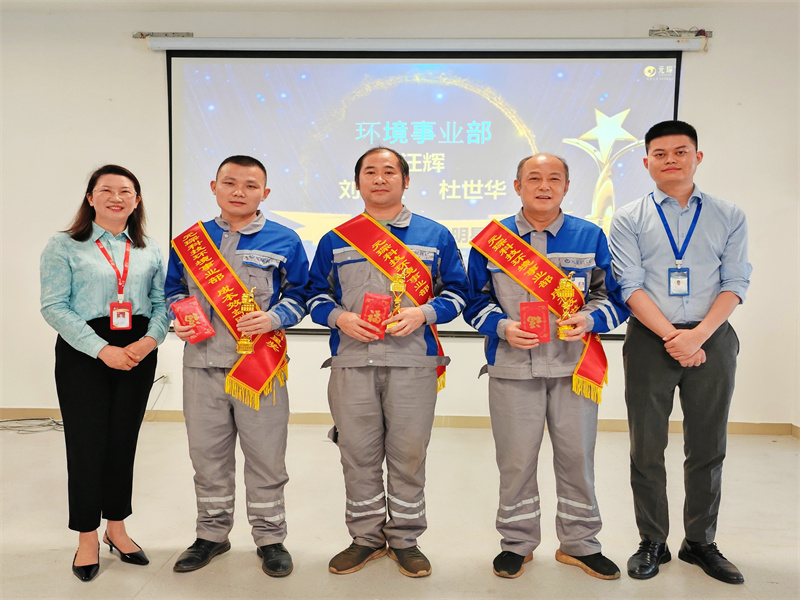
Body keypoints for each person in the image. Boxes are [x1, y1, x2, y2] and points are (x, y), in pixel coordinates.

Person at [463, 154, 628, 581]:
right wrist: (502, 327)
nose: (544, 185)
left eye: (554, 178)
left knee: (577, 458)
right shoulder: (492, 241)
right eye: (533, 178)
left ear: (567, 187)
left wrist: (589, 319)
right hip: (513, 368)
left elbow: (611, 296)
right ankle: (517, 543)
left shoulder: (589, 236)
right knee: (515, 461)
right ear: (517, 186)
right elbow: (474, 301)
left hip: (574, 370)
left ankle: (580, 544)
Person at [307, 147, 469, 578]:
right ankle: (365, 538)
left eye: (389, 172)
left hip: (414, 363)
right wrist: (340, 317)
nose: (380, 179)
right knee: (357, 453)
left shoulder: (435, 235)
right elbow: (313, 295)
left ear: (406, 180)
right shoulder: (336, 239)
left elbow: (459, 294)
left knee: (409, 454)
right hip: (352, 363)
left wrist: (423, 313)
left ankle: (405, 540)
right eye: (370, 172)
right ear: (357, 182)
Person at [608, 120, 751, 584]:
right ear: (646, 161)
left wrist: (699, 335)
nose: (670, 160)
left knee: (708, 446)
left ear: (697, 157)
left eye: (681, 151)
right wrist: (674, 336)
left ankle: (700, 542)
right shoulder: (628, 217)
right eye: (660, 153)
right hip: (651, 339)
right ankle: (653, 540)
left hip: (713, 337)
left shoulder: (729, 214)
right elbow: (629, 285)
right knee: (647, 446)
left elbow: (735, 281)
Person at [165, 155, 308, 577]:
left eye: (250, 185)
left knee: (266, 457)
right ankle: (211, 535)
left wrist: (274, 318)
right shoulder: (190, 242)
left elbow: (302, 295)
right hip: (202, 365)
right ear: (214, 187)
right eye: (229, 183)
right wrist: (180, 316)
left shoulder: (285, 240)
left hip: (259, 367)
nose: (239, 192)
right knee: (207, 457)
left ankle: (270, 538)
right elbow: (172, 290)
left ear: (265, 192)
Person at [40, 164, 169, 582]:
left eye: (125, 191)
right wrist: (101, 350)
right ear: (90, 197)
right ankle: (86, 536)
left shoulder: (149, 248)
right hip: (84, 351)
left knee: (122, 441)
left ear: (137, 200)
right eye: (106, 190)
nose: (117, 198)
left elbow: (163, 303)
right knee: (86, 444)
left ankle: (117, 528)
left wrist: (149, 341)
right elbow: (53, 306)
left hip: (137, 349)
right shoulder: (64, 245)